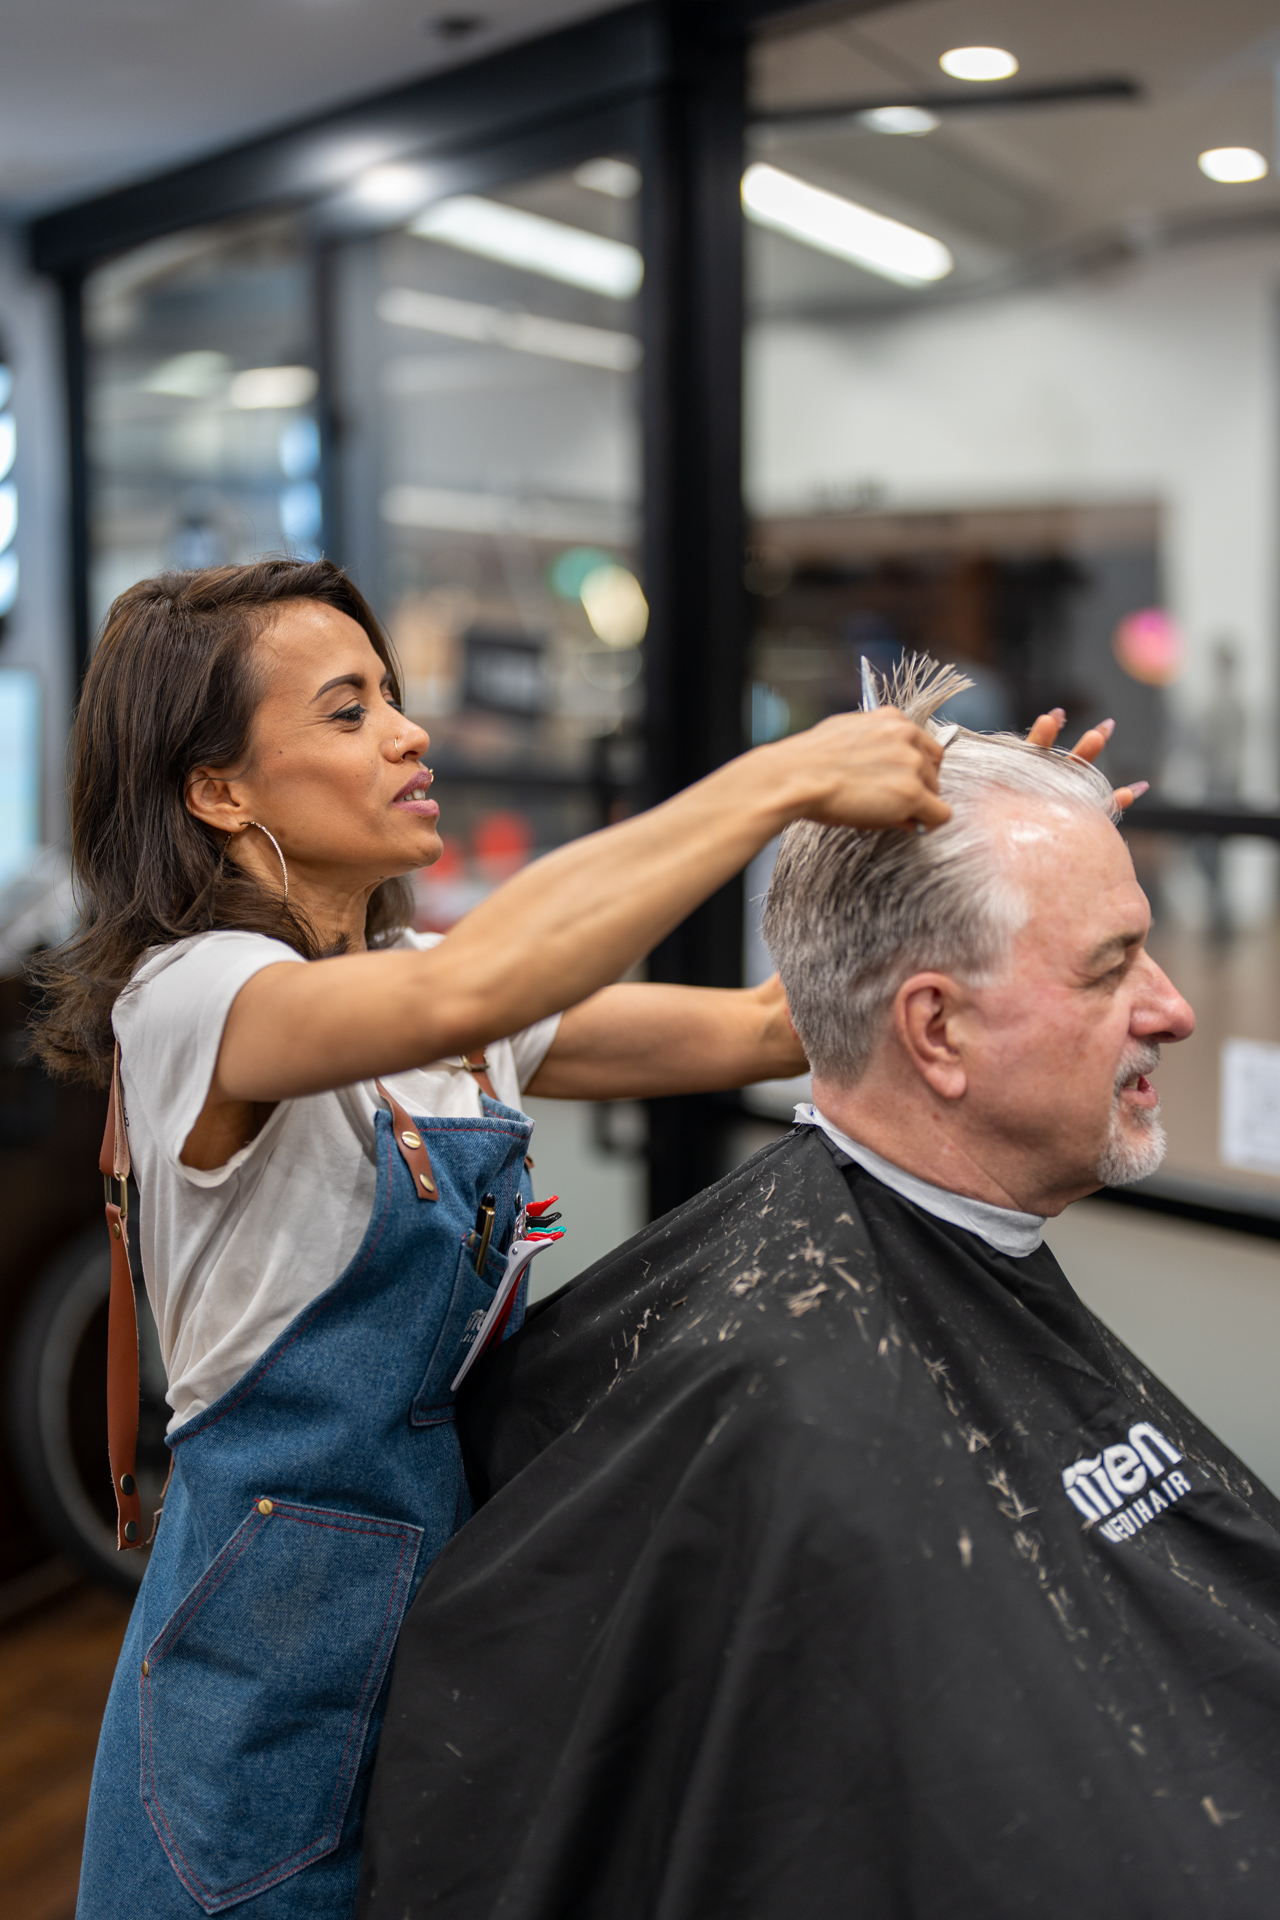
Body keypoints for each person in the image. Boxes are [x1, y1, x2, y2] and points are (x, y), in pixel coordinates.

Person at [39, 558, 957, 1920]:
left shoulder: (425, 996)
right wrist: (781, 778)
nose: (409, 734)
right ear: (218, 791)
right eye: (347, 711)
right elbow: (481, 980)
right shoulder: (195, 996)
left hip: (445, 1613)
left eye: (392, 698)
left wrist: (980, 843)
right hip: (261, 1662)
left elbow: (774, 1028)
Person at [358, 657, 1280, 1920]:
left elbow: (797, 1010)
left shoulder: (847, 1308)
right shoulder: (791, 1401)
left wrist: (1012, 842)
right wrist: (825, 800)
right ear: (937, 1033)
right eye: (1111, 964)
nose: (1170, 1008)